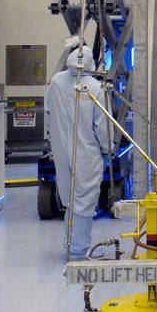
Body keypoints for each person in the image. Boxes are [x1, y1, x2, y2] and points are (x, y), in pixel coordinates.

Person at [43, 38, 111, 260]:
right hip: (86, 152)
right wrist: (107, 149)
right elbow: (102, 127)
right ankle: (78, 249)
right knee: (84, 201)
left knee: (70, 199)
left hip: (61, 152)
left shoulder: (55, 82)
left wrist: (53, 141)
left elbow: (47, 114)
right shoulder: (94, 88)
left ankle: (71, 242)